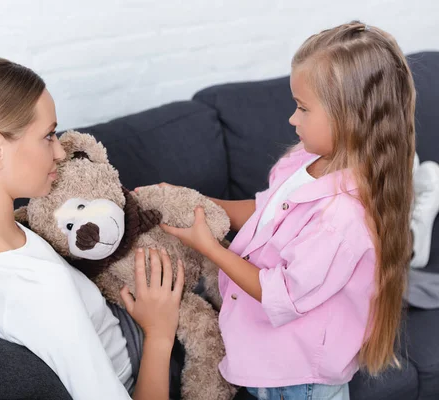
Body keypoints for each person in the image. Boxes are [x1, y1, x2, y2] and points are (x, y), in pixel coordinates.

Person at [153, 21, 417, 400]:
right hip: (266, 357)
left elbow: (281, 295)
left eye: (303, 108)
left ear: (350, 117)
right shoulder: (305, 159)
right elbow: (266, 213)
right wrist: (201, 203)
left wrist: (212, 248)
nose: (293, 119)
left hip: (299, 380)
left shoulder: (343, 219)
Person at [0, 57, 185, 400]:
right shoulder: (39, 288)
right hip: (139, 365)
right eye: (48, 136)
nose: (60, 153)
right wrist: (159, 333)